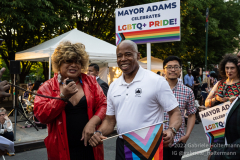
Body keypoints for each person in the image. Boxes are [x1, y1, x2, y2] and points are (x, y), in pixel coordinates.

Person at [89, 40, 182, 160]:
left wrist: (171, 130)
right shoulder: (114, 86)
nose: (123, 59)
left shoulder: (156, 81)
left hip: (149, 145)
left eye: (128, 54)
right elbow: (110, 121)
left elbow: (175, 113)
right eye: (119, 56)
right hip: (122, 144)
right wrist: (99, 133)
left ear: (137, 56)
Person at [34, 41, 107, 160]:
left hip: (90, 148)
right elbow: (41, 116)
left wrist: (92, 123)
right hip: (60, 149)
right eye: (68, 61)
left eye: (77, 61)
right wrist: (62, 97)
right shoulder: (47, 87)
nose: (74, 65)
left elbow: (103, 105)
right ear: (59, 62)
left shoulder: (91, 82)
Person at [162, 56, 196, 160]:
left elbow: (191, 114)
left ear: (180, 70)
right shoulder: (156, 88)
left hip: (177, 140)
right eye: (169, 67)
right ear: (164, 69)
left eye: (176, 67)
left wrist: (187, 135)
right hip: (155, 140)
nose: (172, 69)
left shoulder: (187, 91)